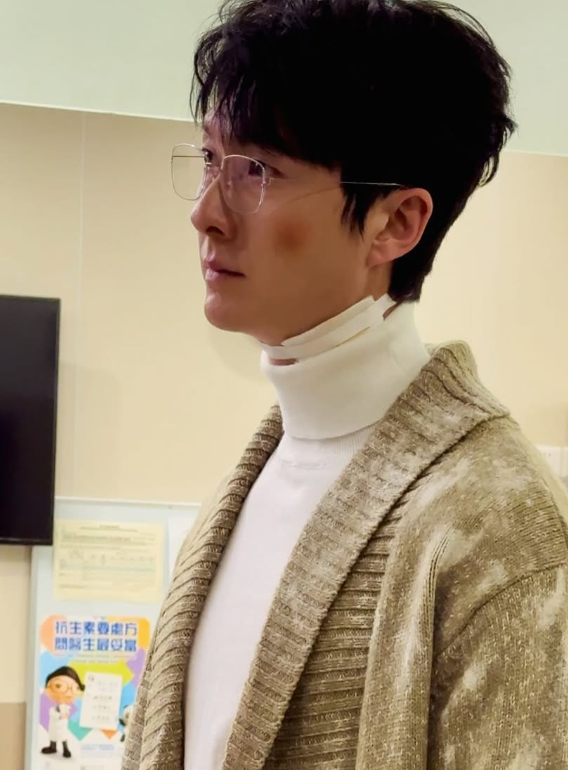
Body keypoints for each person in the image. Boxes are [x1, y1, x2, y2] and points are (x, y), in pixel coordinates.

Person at [123, 0, 568, 768]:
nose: (206, 214)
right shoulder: (249, 485)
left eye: (257, 171)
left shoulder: (499, 526)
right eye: (210, 161)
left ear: (396, 223)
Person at [42, 666, 85, 759]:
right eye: (58, 686)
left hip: (62, 727)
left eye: (75, 688)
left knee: (63, 737)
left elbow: (66, 714)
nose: (68, 693)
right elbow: (52, 713)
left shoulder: (66, 707)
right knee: (53, 736)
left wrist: (65, 714)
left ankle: (65, 749)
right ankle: (52, 747)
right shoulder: (53, 708)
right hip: (53, 726)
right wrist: (59, 715)